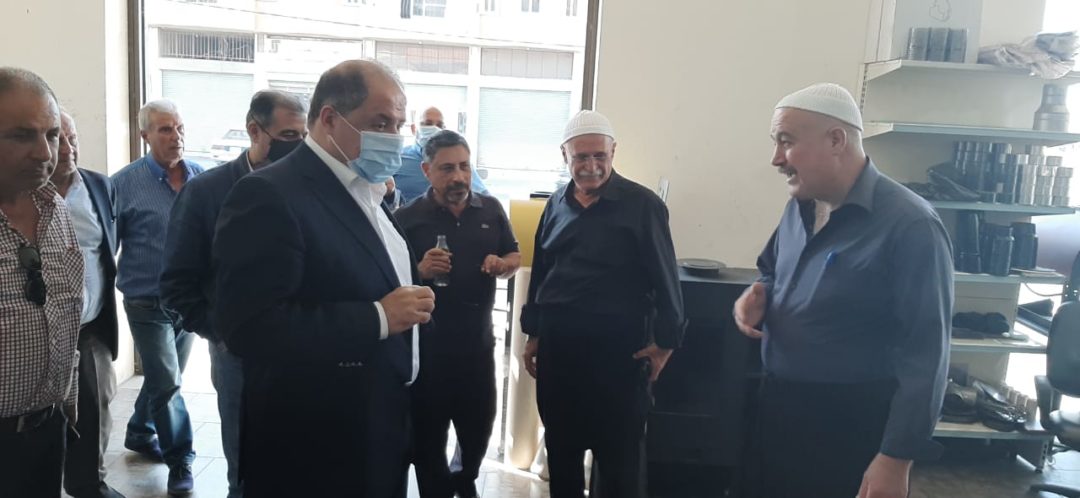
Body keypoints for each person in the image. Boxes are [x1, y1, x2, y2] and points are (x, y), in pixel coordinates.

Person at [212, 59, 434, 498]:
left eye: (398, 125)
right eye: (380, 123)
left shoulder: (366, 190)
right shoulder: (270, 194)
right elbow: (249, 327)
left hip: (378, 424)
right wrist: (377, 317)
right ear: (330, 119)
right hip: (313, 445)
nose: (394, 137)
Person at [733, 83, 952, 498]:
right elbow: (771, 269)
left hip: (850, 426)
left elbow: (927, 356)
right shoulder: (799, 207)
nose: (776, 159)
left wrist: (896, 458)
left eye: (787, 141)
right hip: (777, 410)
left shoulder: (911, 225)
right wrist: (759, 293)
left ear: (836, 140)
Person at [519, 110, 685, 498]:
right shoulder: (556, 203)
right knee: (562, 456)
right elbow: (541, 273)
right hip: (560, 354)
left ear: (613, 152)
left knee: (620, 466)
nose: (591, 166)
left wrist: (666, 343)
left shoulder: (643, 205)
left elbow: (666, 278)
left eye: (600, 156)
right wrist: (533, 333)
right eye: (581, 157)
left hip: (619, 358)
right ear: (565, 155)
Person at [160, 89, 307, 498]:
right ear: (254, 131)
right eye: (289, 135)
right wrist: (221, 332)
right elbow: (176, 281)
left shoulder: (308, 188)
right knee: (246, 469)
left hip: (302, 346)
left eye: (304, 136)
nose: (298, 146)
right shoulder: (207, 192)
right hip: (239, 357)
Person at [395, 130, 521, 498]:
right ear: (427, 171)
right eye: (447, 168)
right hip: (426, 354)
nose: (459, 177)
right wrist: (419, 271)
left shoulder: (491, 209)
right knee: (427, 441)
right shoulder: (406, 218)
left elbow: (514, 255)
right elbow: (387, 280)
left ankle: (464, 481)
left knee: (477, 431)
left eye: (464, 167)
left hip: (477, 349)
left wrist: (503, 265)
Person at [111, 99, 202, 495]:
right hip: (147, 301)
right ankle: (180, 459)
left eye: (179, 128)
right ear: (145, 135)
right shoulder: (123, 184)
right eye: (165, 129)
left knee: (164, 377)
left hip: (190, 301)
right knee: (167, 383)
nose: (176, 137)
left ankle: (138, 431)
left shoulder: (201, 178)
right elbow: (108, 246)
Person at [0, 67, 82, 498]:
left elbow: (67, 309)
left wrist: (67, 400)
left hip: (46, 433)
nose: (44, 152)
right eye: (21, 136)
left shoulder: (56, 209)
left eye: (51, 134)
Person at [52, 110, 125, 498]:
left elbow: (107, 248)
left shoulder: (99, 186)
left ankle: (88, 484)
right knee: (43, 416)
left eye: (73, 138)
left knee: (96, 406)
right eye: (58, 139)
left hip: (91, 324)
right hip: (40, 332)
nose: (68, 148)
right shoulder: (22, 192)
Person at [394, 106, 489, 202]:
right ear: (414, 129)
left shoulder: (456, 159)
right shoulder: (397, 158)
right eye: (428, 124)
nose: (434, 128)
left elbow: (484, 196)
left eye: (439, 125)